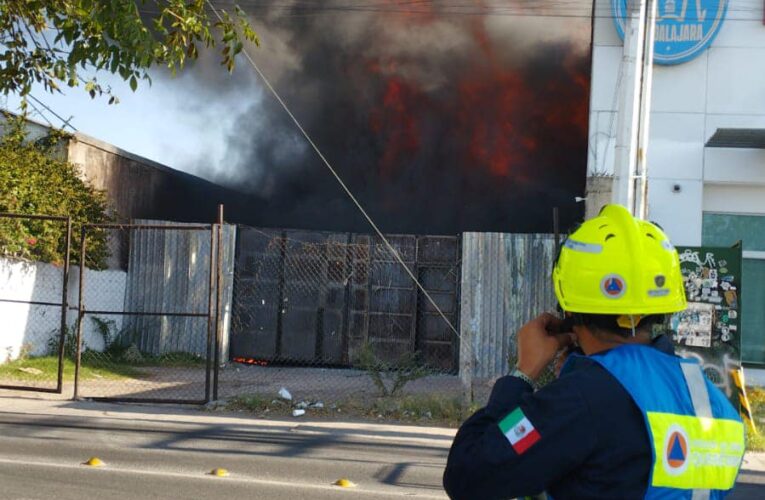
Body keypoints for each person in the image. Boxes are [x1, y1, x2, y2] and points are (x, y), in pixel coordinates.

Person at [443, 204, 745, 499]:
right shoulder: (715, 404)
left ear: (569, 308)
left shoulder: (576, 402)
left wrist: (521, 375)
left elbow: (468, 474)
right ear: (663, 307)